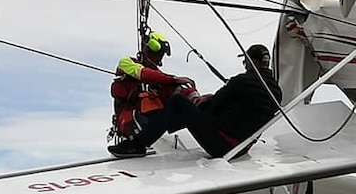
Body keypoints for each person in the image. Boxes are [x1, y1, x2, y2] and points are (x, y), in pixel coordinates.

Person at [108, 44, 282, 158]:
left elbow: (215, 106)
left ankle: (138, 145)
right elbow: (245, 107)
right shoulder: (276, 91)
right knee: (194, 106)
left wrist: (199, 100)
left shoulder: (241, 81)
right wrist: (209, 99)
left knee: (178, 102)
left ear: (250, 62)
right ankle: (160, 125)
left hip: (223, 146)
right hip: (243, 147)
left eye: (245, 61)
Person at [107, 31, 196, 157]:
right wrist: (173, 79)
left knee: (180, 100)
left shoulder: (160, 78)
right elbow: (142, 73)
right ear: (146, 49)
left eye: (160, 55)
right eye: (155, 53)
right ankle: (135, 145)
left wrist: (191, 95)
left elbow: (173, 89)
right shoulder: (126, 63)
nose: (157, 57)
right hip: (132, 120)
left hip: (151, 121)